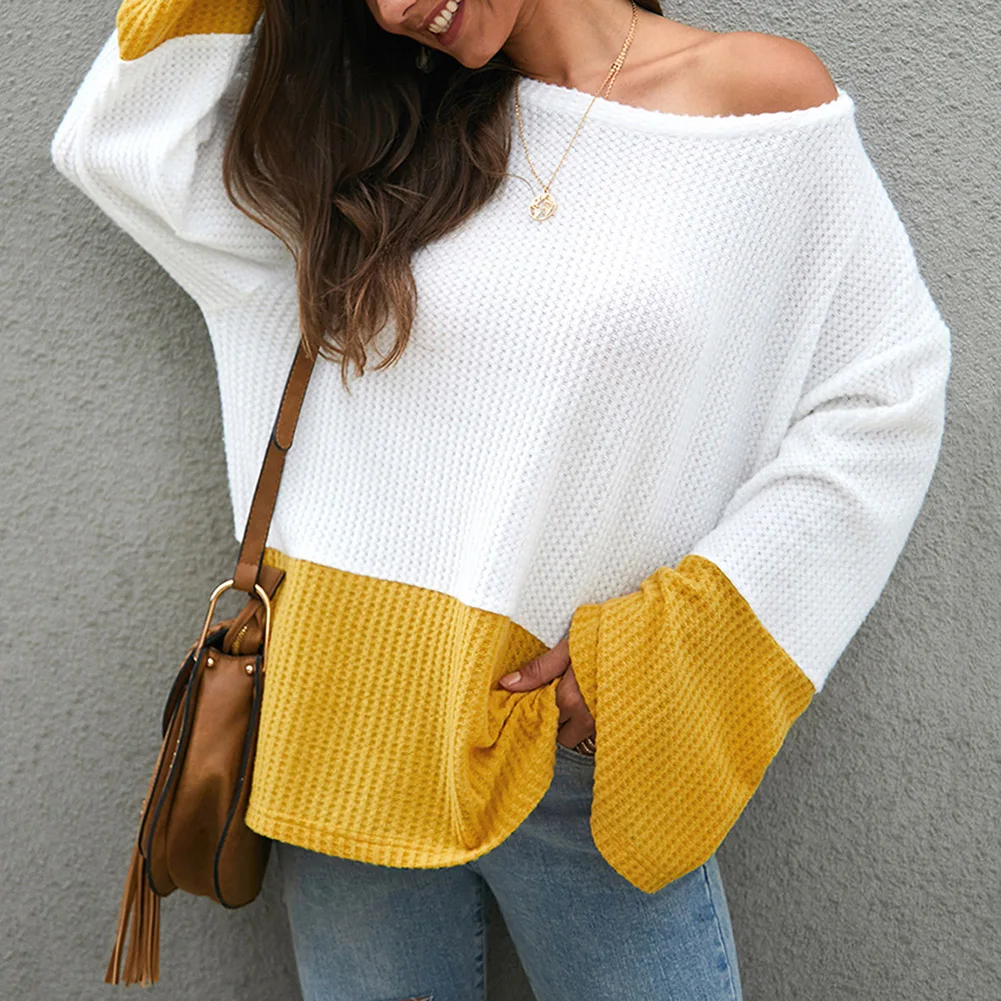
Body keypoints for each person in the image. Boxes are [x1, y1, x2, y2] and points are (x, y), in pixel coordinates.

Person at [50, 0, 951, 998]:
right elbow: (117, 149)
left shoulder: (754, 102)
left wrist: (674, 642)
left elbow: (884, 393)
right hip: (347, 722)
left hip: (574, 745)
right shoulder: (373, 137)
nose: (395, 9)